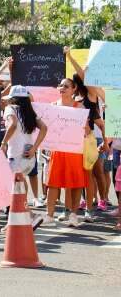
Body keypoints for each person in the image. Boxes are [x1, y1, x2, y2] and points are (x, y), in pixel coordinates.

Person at [66, 47, 109, 220]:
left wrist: (69, 56)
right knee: (79, 174)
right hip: (75, 142)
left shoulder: (92, 95)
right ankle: (78, 206)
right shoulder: (74, 99)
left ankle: (94, 205)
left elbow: (82, 73)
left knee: (93, 173)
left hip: (90, 140)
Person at [42, 78, 90, 228]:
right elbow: (46, 128)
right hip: (57, 150)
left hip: (75, 150)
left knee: (76, 183)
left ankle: (74, 215)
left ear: (73, 89)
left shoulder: (79, 107)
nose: (62, 88)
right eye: (61, 85)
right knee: (53, 183)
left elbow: (87, 130)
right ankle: (49, 216)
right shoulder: (52, 106)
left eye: (66, 86)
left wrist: (82, 127)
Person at [1, 85, 48, 231]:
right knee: (17, 189)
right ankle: (13, 222)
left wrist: (3, 142)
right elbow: (44, 128)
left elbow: (13, 124)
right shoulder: (29, 111)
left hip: (15, 157)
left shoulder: (10, 109)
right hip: (28, 157)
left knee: (13, 192)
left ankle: (32, 216)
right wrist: (34, 148)